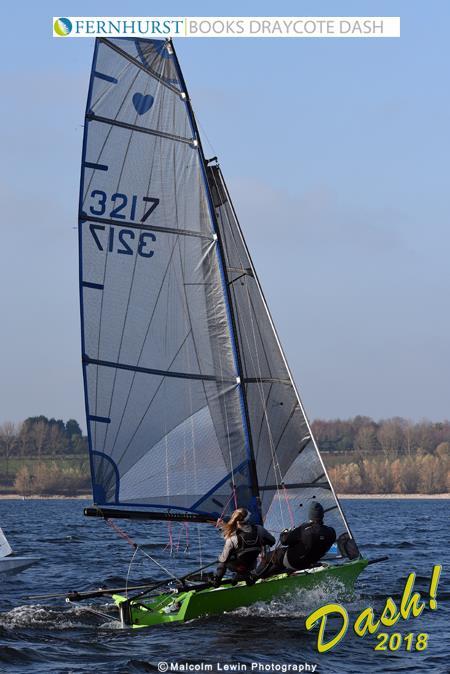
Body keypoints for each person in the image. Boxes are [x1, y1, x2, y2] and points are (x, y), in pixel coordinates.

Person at [257, 501, 336, 578]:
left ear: (310, 516)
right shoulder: (331, 532)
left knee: (268, 556)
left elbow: (284, 541)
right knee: (282, 557)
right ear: (322, 515)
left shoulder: (304, 529)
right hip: (310, 563)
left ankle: (254, 577)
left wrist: (284, 533)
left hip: (294, 561)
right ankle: (269, 575)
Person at [213, 507, 275, 586]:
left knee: (222, 561)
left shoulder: (232, 538)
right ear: (248, 519)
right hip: (252, 565)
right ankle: (243, 576)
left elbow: (224, 559)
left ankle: (217, 580)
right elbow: (272, 541)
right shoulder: (260, 529)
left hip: (236, 566)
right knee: (248, 559)